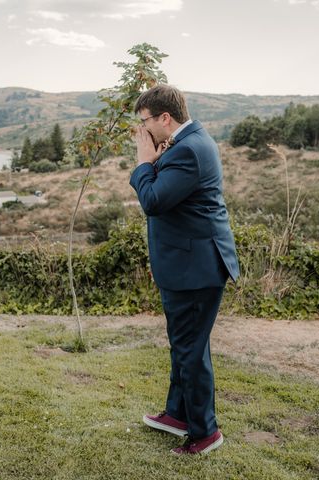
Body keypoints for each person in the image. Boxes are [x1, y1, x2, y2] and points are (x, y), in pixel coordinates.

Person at [129, 84, 239, 455]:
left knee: (190, 349)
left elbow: (154, 200)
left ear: (165, 117)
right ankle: (178, 415)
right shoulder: (188, 141)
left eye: (144, 122)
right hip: (189, 262)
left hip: (196, 267)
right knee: (185, 344)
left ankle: (205, 432)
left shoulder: (189, 149)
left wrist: (144, 161)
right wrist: (156, 159)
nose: (142, 130)